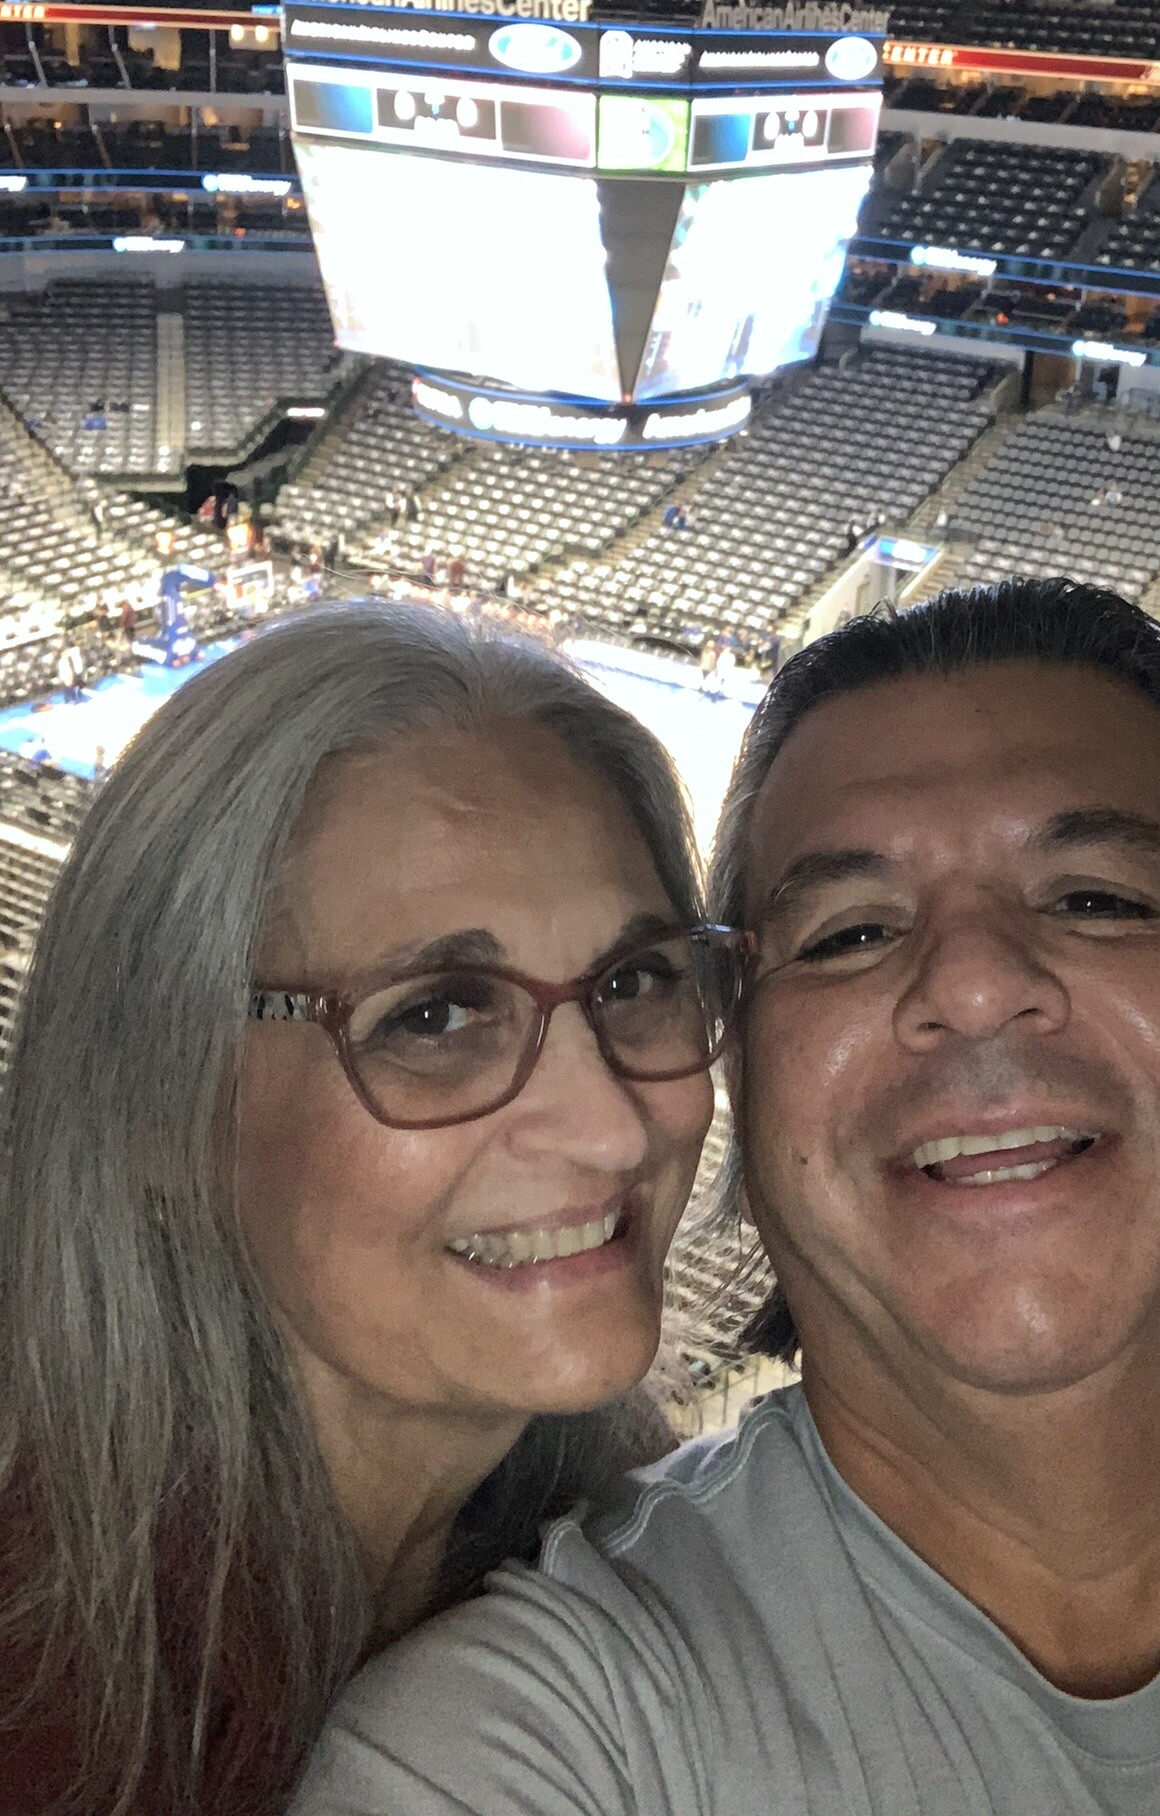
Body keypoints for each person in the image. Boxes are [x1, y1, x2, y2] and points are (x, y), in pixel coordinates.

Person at [295, 580, 1160, 1815]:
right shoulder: (508, 1745)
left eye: (1096, 899)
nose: (974, 982)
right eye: (848, 933)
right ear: (744, 1090)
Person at [0, 600, 749, 1816]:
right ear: (158, 1103)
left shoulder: (654, 1558)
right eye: (434, 1014)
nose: (612, 1127)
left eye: (635, 978)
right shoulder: (42, 1713)